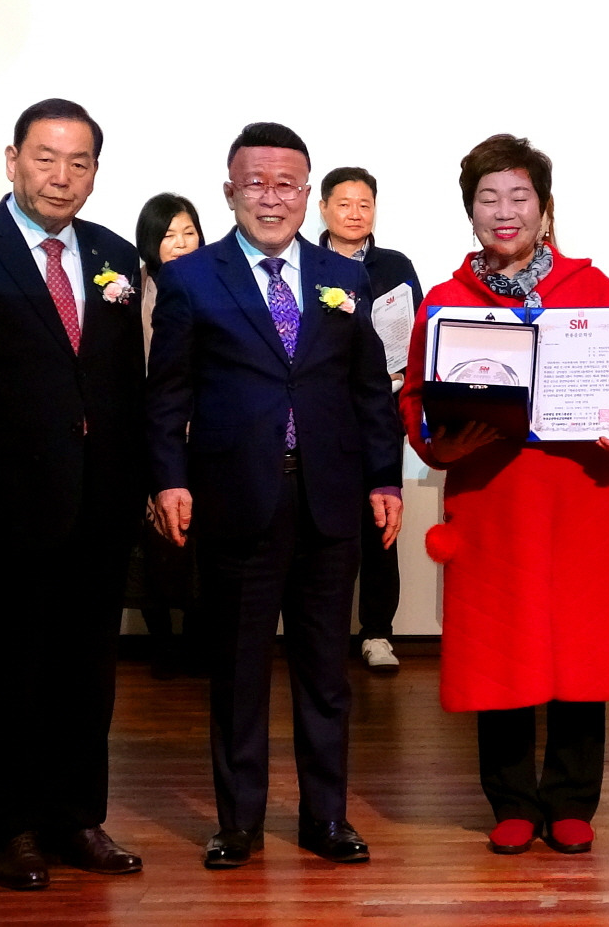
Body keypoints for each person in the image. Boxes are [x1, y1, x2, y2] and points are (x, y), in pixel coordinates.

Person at [147, 122, 405, 870]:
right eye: (255, 183)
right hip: (235, 500)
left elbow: (369, 391)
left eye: (286, 183)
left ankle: (327, 817)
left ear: (307, 193)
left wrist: (385, 477)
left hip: (330, 500)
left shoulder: (342, 275)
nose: (271, 197)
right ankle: (238, 823)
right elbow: (166, 395)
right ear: (229, 191)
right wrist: (168, 476)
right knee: (237, 674)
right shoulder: (194, 279)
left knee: (326, 673)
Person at [400, 134, 609, 857]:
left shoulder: (592, 286)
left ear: (545, 210)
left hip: (583, 495)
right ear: (470, 212)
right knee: (501, 646)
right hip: (493, 498)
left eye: (520, 197)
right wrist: (437, 442)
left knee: (581, 647)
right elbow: (417, 397)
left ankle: (572, 799)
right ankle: (512, 800)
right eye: (488, 198)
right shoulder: (447, 300)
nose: (504, 211)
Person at [0, 98, 146, 890]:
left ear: (95, 173)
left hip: (101, 503)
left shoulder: (114, 254)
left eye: (79, 162)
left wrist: (142, 486)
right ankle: (13, 827)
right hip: (4, 506)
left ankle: (77, 817)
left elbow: (125, 384)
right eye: (45, 158)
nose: (61, 176)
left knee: (88, 670)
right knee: (16, 669)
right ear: (12, 161)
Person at [316, 167, 422, 672]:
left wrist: (403, 366)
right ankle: (324, 634)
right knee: (323, 525)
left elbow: (418, 331)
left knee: (380, 520)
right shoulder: (303, 261)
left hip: (380, 410)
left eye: (365, 204)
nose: (355, 214)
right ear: (323, 208)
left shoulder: (394, 264)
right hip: (320, 414)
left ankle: (377, 631)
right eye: (344, 204)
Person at [130, 193, 205, 677]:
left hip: (204, 431)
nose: (180, 243)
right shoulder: (127, 290)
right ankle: (161, 643)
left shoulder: (214, 283)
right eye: (168, 235)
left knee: (201, 542)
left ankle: (197, 640)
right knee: (152, 540)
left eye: (188, 233)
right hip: (146, 430)